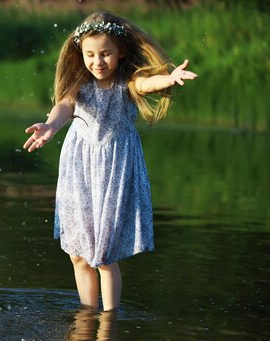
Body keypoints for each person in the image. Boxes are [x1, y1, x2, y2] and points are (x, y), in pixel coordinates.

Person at [23, 11, 197, 311]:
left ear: (120, 52)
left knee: (104, 255)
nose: (97, 61)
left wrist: (168, 78)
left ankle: (109, 324)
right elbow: (63, 106)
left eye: (105, 54)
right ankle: (88, 315)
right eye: (90, 54)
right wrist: (50, 127)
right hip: (79, 168)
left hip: (115, 168)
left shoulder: (126, 82)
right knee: (78, 254)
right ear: (81, 54)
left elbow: (146, 84)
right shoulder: (79, 83)